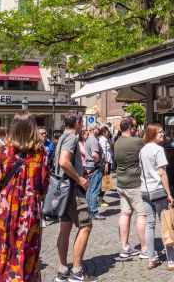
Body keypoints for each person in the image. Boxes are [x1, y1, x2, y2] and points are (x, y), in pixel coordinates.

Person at [0, 112, 49, 282]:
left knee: (3, 252)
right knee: (27, 251)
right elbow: (44, 184)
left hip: (4, 209)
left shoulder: (1, 152)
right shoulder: (40, 153)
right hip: (30, 210)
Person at [140, 123, 174, 271]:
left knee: (150, 225)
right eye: (159, 132)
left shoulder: (142, 150)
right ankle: (171, 260)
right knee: (166, 225)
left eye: (162, 132)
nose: (162, 134)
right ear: (152, 134)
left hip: (145, 191)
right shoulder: (158, 150)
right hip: (157, 191)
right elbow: (162, 173)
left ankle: (152, 258)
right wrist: (169, 194)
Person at [54, 114, 95, 282]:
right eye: (81, 122)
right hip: (72, 190)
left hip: (63, 190)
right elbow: (64, 162)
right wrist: (80, 179)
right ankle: (77, 271)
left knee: (65, 228)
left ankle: (62, 269)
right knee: (86, 226)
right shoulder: (71, 138)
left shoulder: (62, 136)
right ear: (77, 123)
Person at [114, 117, 147, 259]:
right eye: (135, 126)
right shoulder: (136, 141)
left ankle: (125, 247)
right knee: (142, 214)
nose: (136, 129)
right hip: (134, 183)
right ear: (130, 128)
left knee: (125, 213)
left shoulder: (117, 142)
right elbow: (148, 145)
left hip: (121, 182)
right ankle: (145, 248)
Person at [84, 125, 106, 221]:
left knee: (90, 190)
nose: (99, 130)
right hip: (95, 167)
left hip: (90, 166)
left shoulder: (89, 139)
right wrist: (99, 163)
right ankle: (93, 212)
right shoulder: (93, 140)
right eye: (98, 128)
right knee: (94, 190)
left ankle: (89, 210)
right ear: (93, 129)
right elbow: (94, 154)